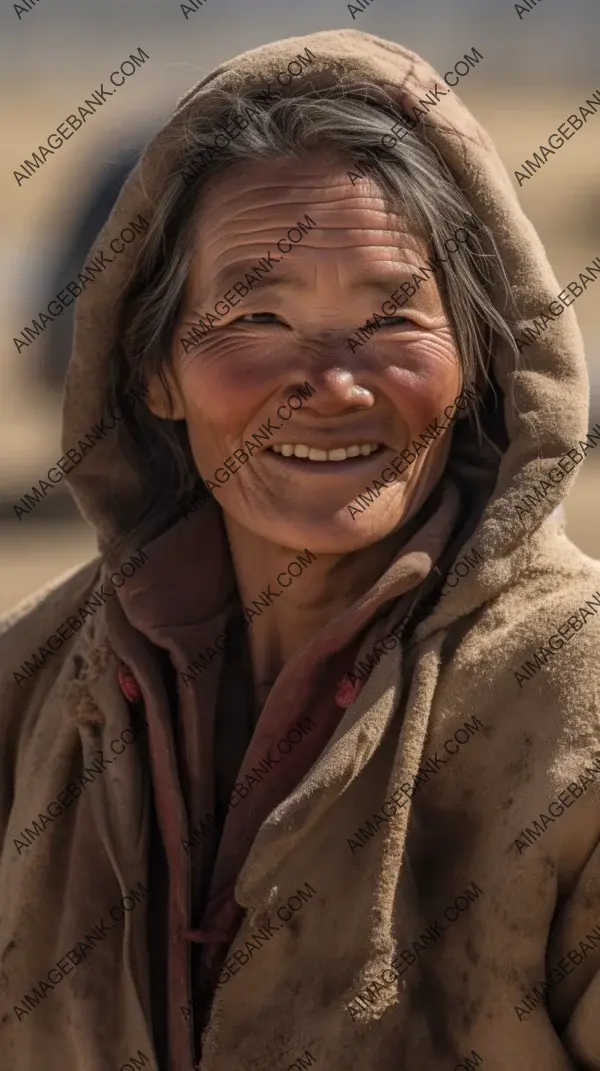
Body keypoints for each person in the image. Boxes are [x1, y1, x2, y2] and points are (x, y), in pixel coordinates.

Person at [2, 27, 599, 1071]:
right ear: (154, 372)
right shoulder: (31, 691)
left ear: (478, 363)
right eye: (260, 315)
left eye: (389, 318)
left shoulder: (574, 709)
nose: (334, 384)